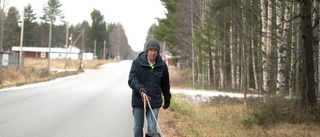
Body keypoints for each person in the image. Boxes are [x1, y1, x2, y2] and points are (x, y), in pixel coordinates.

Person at [128, 38, 171, 137]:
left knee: (152, 129)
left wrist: (167, 98)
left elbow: (165, 85)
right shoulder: (137, 63)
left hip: (154, 102)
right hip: (139, 101)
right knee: (138, 128)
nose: (153, 53)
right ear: (147, 51)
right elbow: (132, 80)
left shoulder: (162, 66)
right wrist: (140, 89)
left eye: (155, 50)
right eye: (151, 50)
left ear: (158, 52)